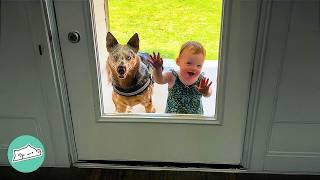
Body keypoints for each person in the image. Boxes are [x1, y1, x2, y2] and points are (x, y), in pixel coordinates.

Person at [149, 41, 213, 114]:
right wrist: (157, 69)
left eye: (199, 65)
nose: (194, 68)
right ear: (178, 61)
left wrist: (206, 91)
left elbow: (209, 93)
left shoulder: (201, 80)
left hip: (195, 119)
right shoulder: (172, 76)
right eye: (189, 63)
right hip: (174, 118)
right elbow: (159, 80)